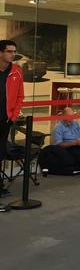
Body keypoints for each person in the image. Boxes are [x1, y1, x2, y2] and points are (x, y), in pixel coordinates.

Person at [0, 40, 23, 212]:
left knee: (0, 153)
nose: (13, 54)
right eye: (10, 51)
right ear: (1, 52)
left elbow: (20, 97)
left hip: (4, 120)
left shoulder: (16, 71)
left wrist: (13, 116)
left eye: (14, 51)